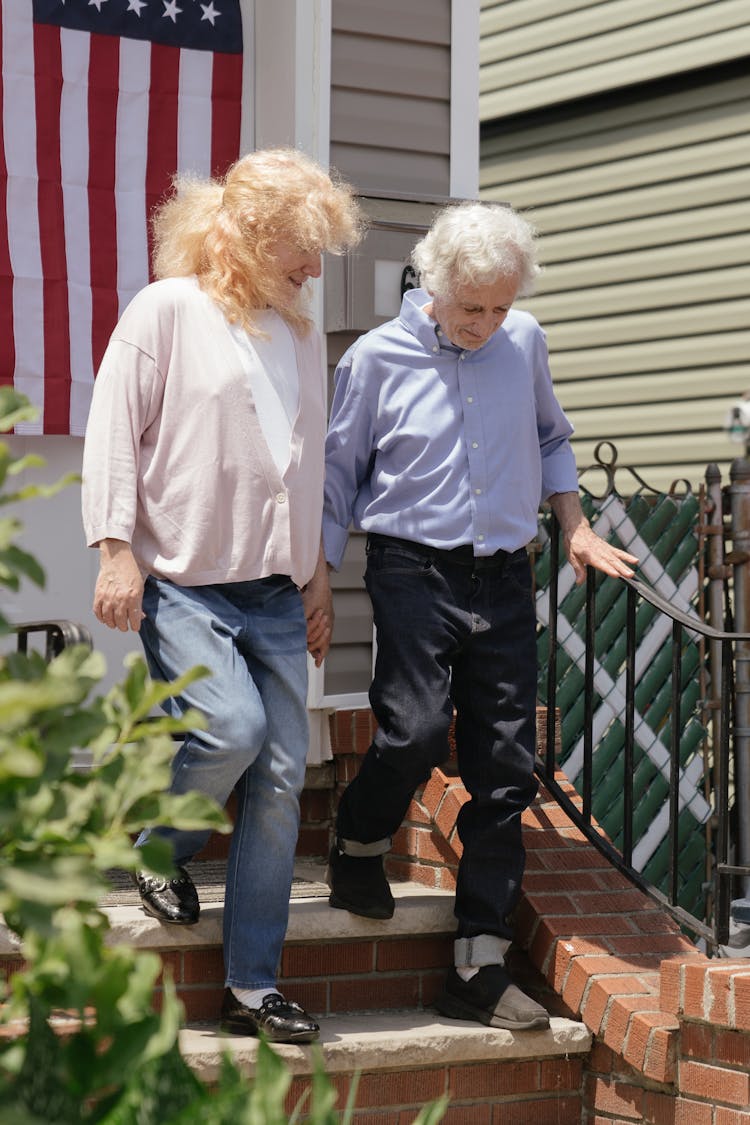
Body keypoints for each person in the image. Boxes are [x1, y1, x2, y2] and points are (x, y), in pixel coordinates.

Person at [322, 200, 638, 1032]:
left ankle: (479, 960)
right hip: (411, 568)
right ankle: (357, 841)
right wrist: (315, 579)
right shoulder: (374, 359)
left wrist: (573, 527)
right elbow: (337, 475)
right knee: (417, 729)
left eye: (500, 308)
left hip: (503, 575)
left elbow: (549, 439)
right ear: (434, 283)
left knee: (506, 767)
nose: (486, 324)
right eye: (473, 308)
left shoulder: (522, 341)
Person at [81, 148, 362, 1043]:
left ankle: (253, 984)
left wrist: (316, 570)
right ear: (244, 231)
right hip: (186, 585)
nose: (315, 269)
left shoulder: (302, 332)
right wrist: (116, 550)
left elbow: (307, 458)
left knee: (283, 776)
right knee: (232, 730)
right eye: (302, 247)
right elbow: (114, 432)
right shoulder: (167, 311)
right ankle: (159, 849)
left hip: (276, 590)